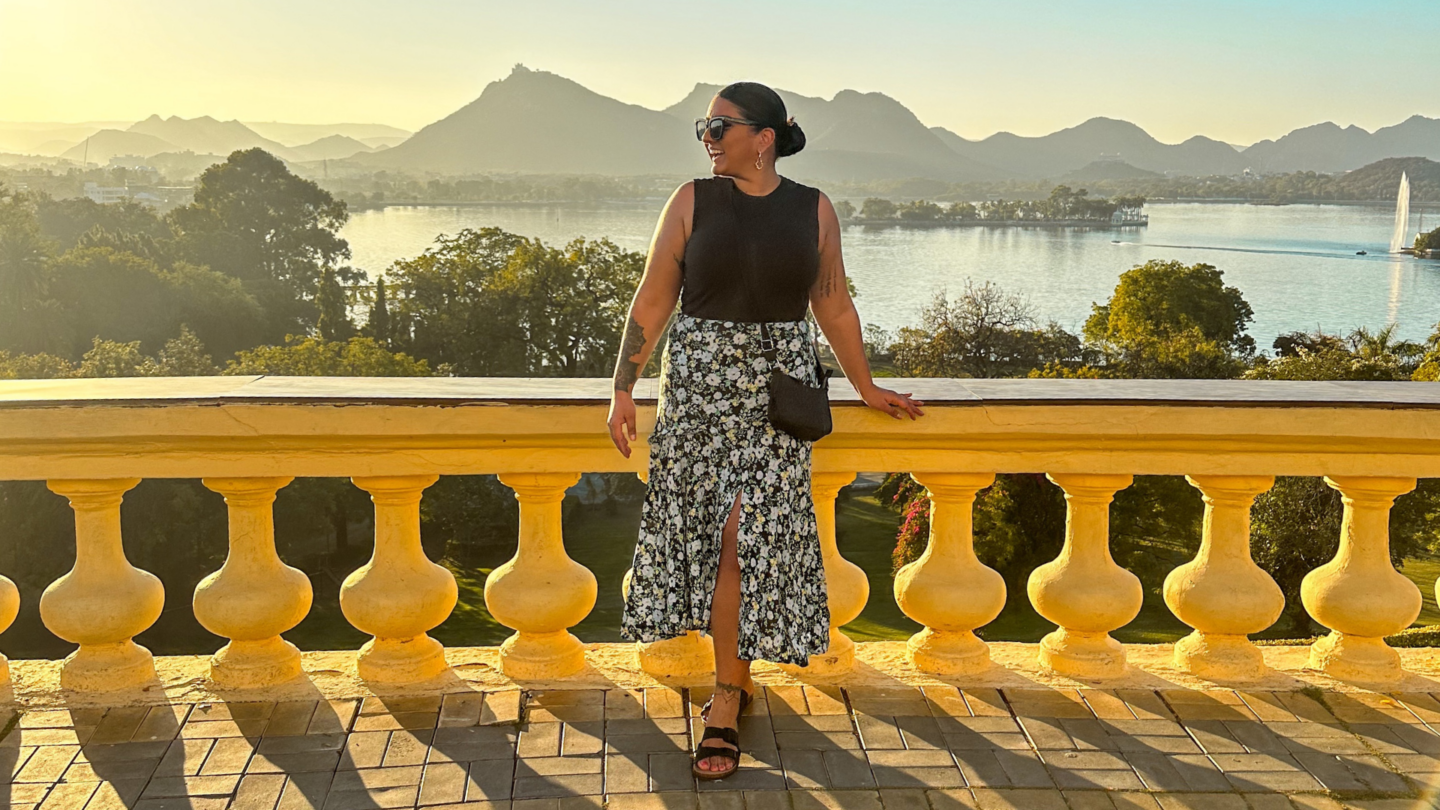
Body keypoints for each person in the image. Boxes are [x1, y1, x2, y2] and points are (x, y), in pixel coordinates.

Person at [606, 81, 925, 780]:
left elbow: (832, 304)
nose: (708, 139)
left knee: (745, 537)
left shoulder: (812, 209)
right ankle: (732, 685)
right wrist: (624, 385)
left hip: (776, 390)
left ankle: (727, 695)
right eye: (704, 128)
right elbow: (655, 295)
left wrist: (865, 386)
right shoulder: (692, 200)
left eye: (720, 127)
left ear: (765, 136)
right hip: (699, 390)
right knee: (717, 538)